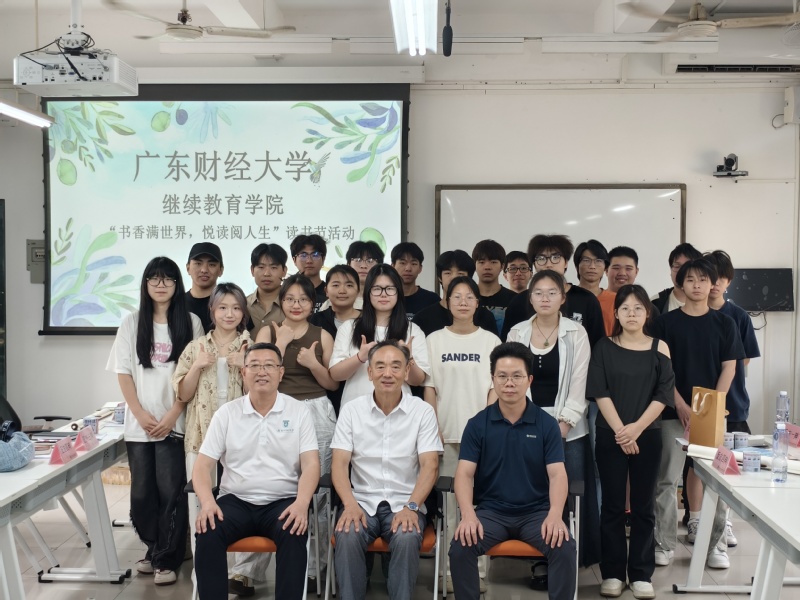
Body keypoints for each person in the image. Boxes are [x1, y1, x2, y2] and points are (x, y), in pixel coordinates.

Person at [192, 342, 320, 600]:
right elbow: (202, 466)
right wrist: (207, 503)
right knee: (208, 530)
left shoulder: (299, 412)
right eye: (254, 366)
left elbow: (311, 464)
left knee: (294, 530)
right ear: (244, 373)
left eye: (269, 365)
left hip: (282, 502)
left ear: (281, 373)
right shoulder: (227, 414)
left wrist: (301, 503)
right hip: (235, 501)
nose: (262, 372)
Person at [448, 342, 576, 600]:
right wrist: (468, 514)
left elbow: (557, 474)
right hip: (491, 513)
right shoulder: (477, 424)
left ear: (529, 380)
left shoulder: (547, 424)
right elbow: (464, 474)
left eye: (517, 376)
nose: (509, 383)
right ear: (492, 379)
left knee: (564, 546)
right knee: (461, 547)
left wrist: (555, 514)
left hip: (536, 513)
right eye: (502, 376)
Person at [106, 256, 204, 586]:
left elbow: (195, 374)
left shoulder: (190, 322)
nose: (161, 285)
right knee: (142, 496)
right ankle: (153, 548)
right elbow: (123, 372)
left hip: (175, 423)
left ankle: (166, 559)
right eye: (154, 278)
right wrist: (139, 413)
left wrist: (174, 412)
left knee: (171, 494)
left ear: (177, 284)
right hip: (140, 426)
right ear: (145, 284)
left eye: (168, 279)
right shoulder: (131, 323)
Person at [330, 341, 443, 600]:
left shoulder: (422, 412)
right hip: (362, 501)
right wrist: (349, 504)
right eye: (380, 367)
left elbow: (430, 465)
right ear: (369, 372)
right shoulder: (352, 410)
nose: (387, 373)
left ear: (406, 371)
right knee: (347, 532)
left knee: (406, 535)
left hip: (406, 502)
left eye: (395, 366)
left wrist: (412, 507)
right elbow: (339, 463)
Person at [650, 258, 744, 570]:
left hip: (712, 414)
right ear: (681, 282)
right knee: (666, 480)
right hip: (671, 411)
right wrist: (679, 404)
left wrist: (710, 408)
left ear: (713, 283)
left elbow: (729, 368)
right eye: (690, 279)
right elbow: (662, 370)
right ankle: (664, 543)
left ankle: (716, 545)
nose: (697, 285)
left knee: (715, 480)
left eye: (703, 280)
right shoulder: (665, 323)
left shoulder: (725, 323)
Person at [506, 269, 600, 571]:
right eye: (538, 293)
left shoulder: (576, 332)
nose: (544, 298)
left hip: (568, 429)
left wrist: (563, 426)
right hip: (526, 425)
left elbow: (580, 382)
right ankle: (540, 558)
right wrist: (528, 422)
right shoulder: (517, 332)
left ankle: (571, 559)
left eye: (551, 293)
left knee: (570, 494)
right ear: (530, 298)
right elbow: (512, 380)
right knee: (535, 494)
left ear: (562, 297)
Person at [172, 283, 261, 597]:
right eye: (222, 307)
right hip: (202, 438)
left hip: (245, 440)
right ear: (211, 310)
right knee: (202, 506)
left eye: (236, 308)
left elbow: (263, 394)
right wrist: (197, 367)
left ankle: (243, 573)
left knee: (248, 501)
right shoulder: (196, 347)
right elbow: (182, 394)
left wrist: (244, 367)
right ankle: (205, 576)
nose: (229, 314)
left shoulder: (252, 348)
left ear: (244, 313)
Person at [587, 285, 675, 599]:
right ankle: (612, 573)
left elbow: (663, 395)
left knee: (643, 506)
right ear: (617, 313)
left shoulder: (660, 347)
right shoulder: (603, 346)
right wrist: (622, 432)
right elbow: (600, 392)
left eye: (638, 308)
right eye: (625, 308)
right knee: (611, 505)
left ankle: (640, 574)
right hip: (610, 434)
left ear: (648, 313)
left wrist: (636, 429)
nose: (632, 314)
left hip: (647, 434)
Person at [255, 273, 339, 587]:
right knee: (269, 484)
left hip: (316, 410)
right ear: (281, 301)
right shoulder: (268, 330)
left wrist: (312, 364)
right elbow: (260, 373)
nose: (296, 304)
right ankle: (250, 570)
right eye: (290, 298)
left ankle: (316, 569)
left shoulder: (322, 334)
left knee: (319, 490)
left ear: (313, 303)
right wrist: (281, 343)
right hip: (276, 410)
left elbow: (332, 383)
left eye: (303, 299)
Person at [423, 276, 501, 592]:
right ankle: (449, 570)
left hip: (481, 438)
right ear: (447, 302)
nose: (463, 302)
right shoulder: (434, 340)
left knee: (479, 506)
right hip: (446, 435)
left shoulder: (490, 341)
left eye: (469, 296)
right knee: (449, 508)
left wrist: (486, 428)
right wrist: (433, 428)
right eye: (457, 296)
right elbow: (429, 388)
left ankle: (477, 572)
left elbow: (495, 388)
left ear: (477, 303)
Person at [704, 250, 761, 548]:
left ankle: (724, 522)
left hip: (733, 405)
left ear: (728, 281)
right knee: (698, 469)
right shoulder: (693, 314)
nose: (715, 284)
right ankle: (697, 520)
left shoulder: (738, 316)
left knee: (728, 467)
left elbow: (745, 359)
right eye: (710, 277)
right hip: (697, 406)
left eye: (721, 278)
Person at [329, 265, 431, 407]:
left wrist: (408, 358)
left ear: (398, 292)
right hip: (356, 409)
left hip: (400, 411)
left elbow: (417, 381)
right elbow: (335, 374)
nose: (384, 294)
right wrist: (360, 357)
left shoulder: (413, 330)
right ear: (368, 293)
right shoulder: (349, 327)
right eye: (377, 289)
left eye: (390, 288)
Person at [500, 234, 605, 346]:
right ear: (534, 264)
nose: (549, 264)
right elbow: (508, 346)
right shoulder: (519, 302)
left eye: (555, 258)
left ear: (566, 262)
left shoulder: (587, 299)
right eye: (541, 259)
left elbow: (598, 346)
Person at [309, 264, 362, 415]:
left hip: (360, 396)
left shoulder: (368, 321)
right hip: (323, 399)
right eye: (336, 285)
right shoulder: (315, 320)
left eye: (349, 285)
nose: (342, 291)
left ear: (358, 291)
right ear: (326, 290)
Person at [412, 250, 498, 337]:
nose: (454, 278)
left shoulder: (485, 317)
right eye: (448, 273)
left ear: (469, 278)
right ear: (440, 278)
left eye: (460, 273)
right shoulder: (423, 318)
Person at [472, 239, 518, 336]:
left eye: (493, 262)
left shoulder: (515, 300)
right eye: (481, 262)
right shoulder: (466, 299)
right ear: (474, 265)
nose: (487, 267)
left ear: (502, 266)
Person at [574, 239, 616, 336]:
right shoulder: (567, 297)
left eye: (598, 261)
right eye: (586, 260)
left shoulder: (616, 300)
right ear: (577, 266)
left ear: (605, 267)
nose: (592, 266)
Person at [247, 243, 287, 339]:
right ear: (252, 270)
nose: (267, 273)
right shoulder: (242, 305)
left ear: (284, 271)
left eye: (274, 268)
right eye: (261, 267)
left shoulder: (293, 306)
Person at [390, 242, 440, 320]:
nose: (408, 268)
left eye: (413, 264)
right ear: (393, 266)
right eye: (402, 263)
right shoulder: (385, 298)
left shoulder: (432, 300)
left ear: (420, 268)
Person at [650, 243, 702, 314]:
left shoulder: (709, 302)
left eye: (687, 266)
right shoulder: (655, 302)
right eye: (677, 266)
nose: (681, 271)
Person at [185, 242, 224, 332]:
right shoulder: (176, 304)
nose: (204, 270)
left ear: (221, 270)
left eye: (211, 265)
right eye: (198, 263)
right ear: (188, 268)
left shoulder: (231, 303)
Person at [290, 234, 328, 312]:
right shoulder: (287, 291)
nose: (309, 261)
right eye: (303, 255)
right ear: (294, 260)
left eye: (315, 255)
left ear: (323, 259)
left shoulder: (330, 292)